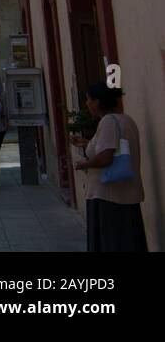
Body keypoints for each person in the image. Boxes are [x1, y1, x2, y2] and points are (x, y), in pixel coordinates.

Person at [72, 83, 147, 252]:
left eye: (89, 100)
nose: (87, 104)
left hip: (108, 195)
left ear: (97, 102)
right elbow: (116, 148)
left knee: (112, 243)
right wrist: (87, 144)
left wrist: (83, 164)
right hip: (126, 193)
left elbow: (105, 158)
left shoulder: (107, 122)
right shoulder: (125, 119)